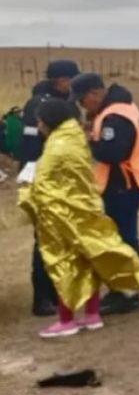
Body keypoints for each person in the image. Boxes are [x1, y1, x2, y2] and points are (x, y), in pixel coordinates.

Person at [18, 99, 139, 338]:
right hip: (86, 209)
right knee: (88, 261)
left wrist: (25, 193)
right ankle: (92, 314)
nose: (38, 127)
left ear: (49, 122)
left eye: (40, 122)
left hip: (63, 215)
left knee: (64, 264)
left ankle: (66, 320)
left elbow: (43, 186)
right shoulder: (76, 138)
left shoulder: (56, 146)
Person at [70, 73, 139, 316]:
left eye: (83, 99)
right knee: (122, 237)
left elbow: (113, 153)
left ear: (95, 93)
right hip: (125, 183)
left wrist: (89, 141)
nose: (82, 105)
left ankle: (128, 292)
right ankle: (125, 288)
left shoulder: (115, 116)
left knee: (123, 239)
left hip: (123, 184)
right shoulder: (120, 108)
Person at [18, 59, 80, 317]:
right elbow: (30, 147)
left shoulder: (67, 102)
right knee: (45, 239)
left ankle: (58, 291)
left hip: (65, 180)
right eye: (72, 80)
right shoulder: (38, 105)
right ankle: (42, 297)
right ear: (61, 80)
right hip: (45, 179)